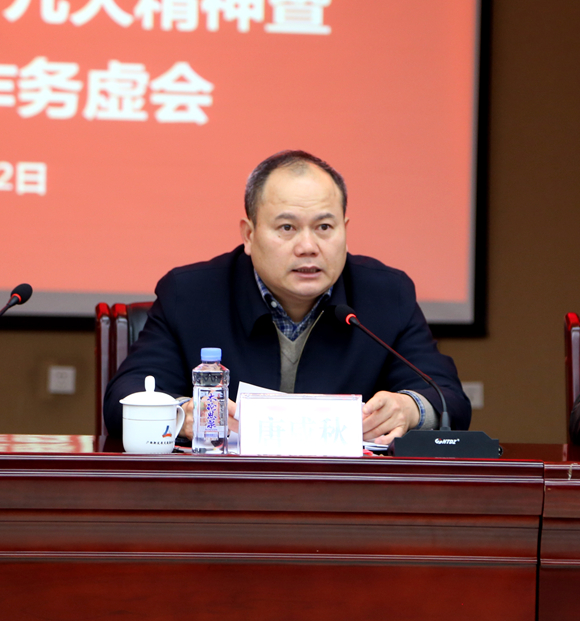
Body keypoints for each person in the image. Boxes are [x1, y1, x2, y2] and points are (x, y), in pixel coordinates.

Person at [104, 150, 471, 441]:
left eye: (324, 227)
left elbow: (448, 398)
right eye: (287, 228)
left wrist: (409, 408)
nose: (308, 246)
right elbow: (125, 396)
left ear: (345, 231)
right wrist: (182, 414)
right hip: (221, 494)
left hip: (347, 496)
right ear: (249, 235)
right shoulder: (191, 294)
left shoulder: (386, 295)